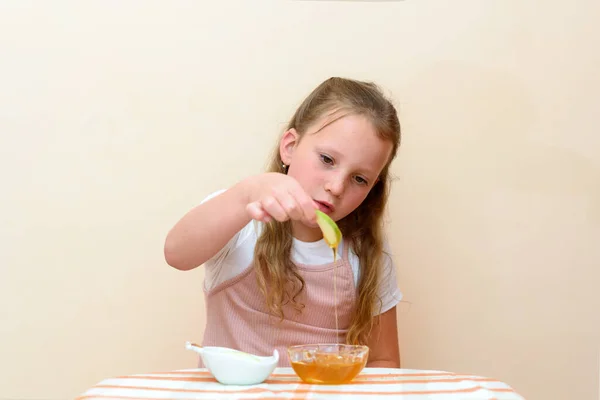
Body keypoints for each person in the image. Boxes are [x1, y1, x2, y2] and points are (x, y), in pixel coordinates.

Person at [164, 77, 403, 368]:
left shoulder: (365, 251)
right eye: (327, 159)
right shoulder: (244, 219)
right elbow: (176, 253)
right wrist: (245, 195)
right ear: (289, 146)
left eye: (359, 179)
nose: (337, 186)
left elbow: (382, 360)